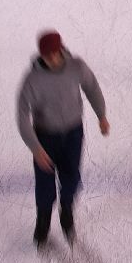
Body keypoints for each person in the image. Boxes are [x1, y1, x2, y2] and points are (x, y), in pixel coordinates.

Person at [17, 30, 110, 246]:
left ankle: (66, 210)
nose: (51, 59)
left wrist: (102, 115)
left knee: (71, 177)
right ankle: (43, 219)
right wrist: (35, 147)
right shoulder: (33, 79)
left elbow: (92, 88)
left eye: (54, 54)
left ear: (61, 49)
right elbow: (22, 113)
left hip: (72, 133)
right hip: (45, 137)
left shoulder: (76, 67)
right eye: (46, 56)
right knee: (44, 183)